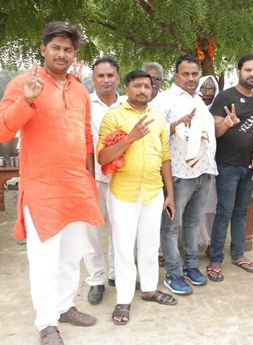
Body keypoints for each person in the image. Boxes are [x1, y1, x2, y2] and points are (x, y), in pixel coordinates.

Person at [0, 21, 103, 344]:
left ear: (75, 54)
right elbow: (3, 130)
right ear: (43, 49)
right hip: (42, 188)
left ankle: (65, 306)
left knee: (72, 255)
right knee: (44, 260)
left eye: (68, 49)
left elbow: (87, 136)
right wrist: (26, 100)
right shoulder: (23, 83)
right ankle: (47, 323)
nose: (62, 54)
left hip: (76, 184)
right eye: (55, 48)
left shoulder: (80, 90)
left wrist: (88, 177)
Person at [97, 70, 178, 325]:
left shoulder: (157, 118)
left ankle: (149, 289)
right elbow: (102, 157)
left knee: (150, 244)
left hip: (153, 192)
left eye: (148, 85)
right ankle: (123, 298)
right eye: (137, 85)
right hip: (123, 192)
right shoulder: (114, 116)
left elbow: (165, 157)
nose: (143, 89)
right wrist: (130, 138)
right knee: (123, 247)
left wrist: (170, 195)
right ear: (127, 88)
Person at [151, 55, 217, 294]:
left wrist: (226, 125)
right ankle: (173, 273)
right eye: (186, 74)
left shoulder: (200, 101)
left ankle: (191, 267)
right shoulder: (164, 100)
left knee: (192, 222)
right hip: (178, 174)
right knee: (171, 226)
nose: (191, 78)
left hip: (204, 172)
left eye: (195, 74)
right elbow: (153, 134)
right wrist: (176, 124)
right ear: (176, 75)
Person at [207, 54, 253, 282]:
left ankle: (237, 254)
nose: (252, 74)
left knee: (241, 211)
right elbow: (216, 131)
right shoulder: (225, 96)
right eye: (248, 70)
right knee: (225, 212)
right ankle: (215, 259)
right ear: (238, 71)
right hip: (228, 165)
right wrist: (227, 123)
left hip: (249, 166)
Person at [84, 57, 127, 305]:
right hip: (94, 178)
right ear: (93, 79)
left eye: (110, 75)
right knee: (92, 231)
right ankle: (96, 280)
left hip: (122, 179)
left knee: (119, 230)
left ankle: (115, 275)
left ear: (118, 79)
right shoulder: (85, 104)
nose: (106, 80)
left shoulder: (126, 104)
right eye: (100, 76)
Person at [195, 75, 220, 249]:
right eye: (205, 89)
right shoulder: (192, 106)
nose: (208, 93)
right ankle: (196, 242)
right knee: (195, 205)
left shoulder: (219, 109)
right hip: (193, 163)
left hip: (213, 164)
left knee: (211, 203)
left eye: (212, 89)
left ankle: (210, 241)